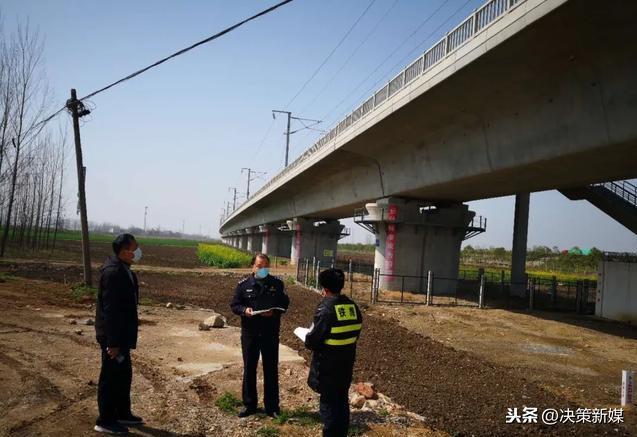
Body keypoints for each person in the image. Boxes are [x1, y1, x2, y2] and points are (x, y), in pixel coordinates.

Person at [94, 233, 144, 435]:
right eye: (135, 248)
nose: (138, 251)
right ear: (124, 251)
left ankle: (123, 413)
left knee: (124, 375)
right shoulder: (113, 273)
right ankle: (105, 419)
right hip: (113, 338)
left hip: (122, 336)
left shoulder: (125, 270)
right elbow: (111, 310)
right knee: (111, 377)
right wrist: (113, 343)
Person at [304, 268, 362, 437]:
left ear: (324, 288)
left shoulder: (326, 309)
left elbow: (313, 341)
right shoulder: (352, 307)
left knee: (328, 406)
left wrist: (307, 337)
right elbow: (354, 333)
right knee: (342, 402)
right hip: (346, 364)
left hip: (327, 368)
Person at [230, 253, 289, 418]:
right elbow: (235, 305)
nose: (263, 269)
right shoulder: (243, 285)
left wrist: (274, 312)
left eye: (265, 266)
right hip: (250, 333)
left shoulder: (277, 284)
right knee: (249, 368)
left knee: (271, 369)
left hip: (270, 333)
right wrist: (244, 310)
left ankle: (272, 408)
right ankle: (249, 405)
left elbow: (284, 304)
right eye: (259, 266)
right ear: (253, 267)